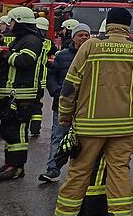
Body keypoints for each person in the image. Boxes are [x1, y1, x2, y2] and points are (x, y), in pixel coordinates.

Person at [55, 7, 133, 216]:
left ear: (108, 24)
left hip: (89, 126)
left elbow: (70, 85)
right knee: (119, 172)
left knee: (78, 173)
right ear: (128, 27)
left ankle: (65, 213)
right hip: (124, 127)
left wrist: (64, 114)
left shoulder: (90, 46)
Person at [0, 6, 44, 181]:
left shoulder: (31, 40)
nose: (10, 24)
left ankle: (17, 168)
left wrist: (8, 56)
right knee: (8, 130)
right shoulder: (21, 39)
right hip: (14, 93)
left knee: (18, 131)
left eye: (12, 21)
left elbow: (26, 60)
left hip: (23, 95)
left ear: (20, 21)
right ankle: (10, 163)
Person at [40, 23, 91, 183]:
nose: (83, 38)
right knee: (59, 136)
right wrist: (56, 91)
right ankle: (53, 169)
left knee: (85, 140)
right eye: (80, 35)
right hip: (62, 105)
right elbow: (51, 75)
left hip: (85, 106)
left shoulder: (94, 56)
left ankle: (80, 172)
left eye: (86, 35)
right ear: (73, 37)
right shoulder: (62, 56)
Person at [30, 16, 53, 138]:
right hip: (40, 80)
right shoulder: (48, 42)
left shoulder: (29, 40)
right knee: (37, 105)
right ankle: (35, 128)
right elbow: (52, 55)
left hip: (28, 79)